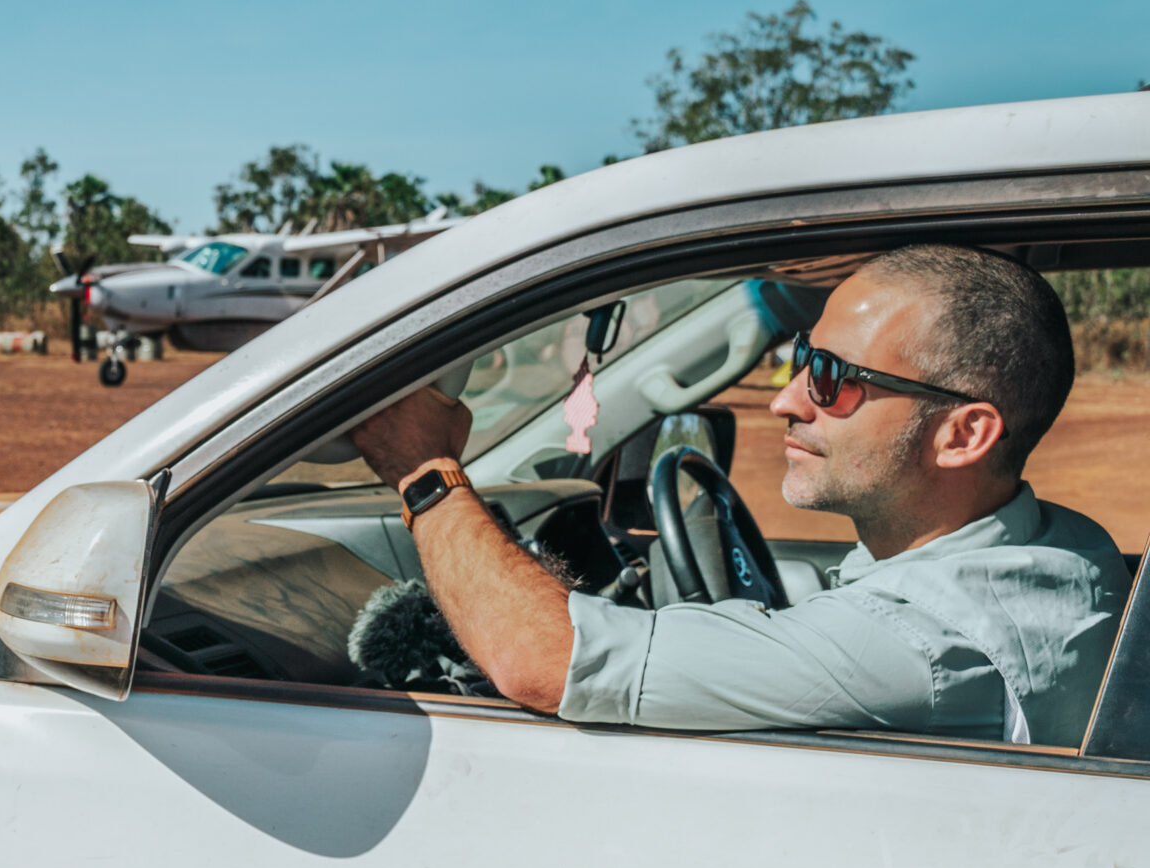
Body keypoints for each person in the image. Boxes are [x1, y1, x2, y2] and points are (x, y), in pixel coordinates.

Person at [349, 245, 1132, 747]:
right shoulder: (1066, 545)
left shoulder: (922, 646)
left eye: (832, 377)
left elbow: (545, 662)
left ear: (963, 435)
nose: (787, 400)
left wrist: (424, 468)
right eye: (802, 358)